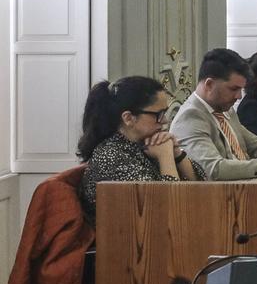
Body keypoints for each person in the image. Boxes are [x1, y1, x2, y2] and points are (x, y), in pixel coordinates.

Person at [77, 76, 200, 222]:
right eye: (158, 115)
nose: (165, 121)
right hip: (127, 241)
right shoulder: (111, 157)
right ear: (129, 118)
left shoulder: (144, 145)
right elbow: (168, 210)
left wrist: (176, 154)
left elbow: (201, 185)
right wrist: (165, 156)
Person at [172, 49, 257, 180]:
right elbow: (214, 169)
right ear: (209, 85)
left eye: (241, 89)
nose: (239, 96)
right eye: (234, 89)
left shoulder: (225, 109)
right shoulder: (191, 117)